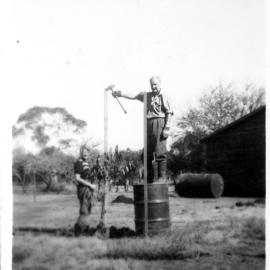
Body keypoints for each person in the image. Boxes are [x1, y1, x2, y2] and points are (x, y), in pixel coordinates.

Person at [112, 76, 173, 183]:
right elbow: (134, 96)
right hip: (148, 124)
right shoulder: (147, 95)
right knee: (146, 154)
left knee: (160, 152)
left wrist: (167, 128)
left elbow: (169, 113)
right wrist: (120, 93)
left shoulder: (164, 96)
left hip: (160, 122)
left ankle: (161, 178)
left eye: (156, 84)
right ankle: (149, 179)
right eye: (152, 84)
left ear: (160, 84)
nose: (154, 86)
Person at [73, 145, 96, 234]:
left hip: (88, 189)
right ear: (81, 153)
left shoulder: (86, 163)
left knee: (88, 209)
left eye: (87, 152)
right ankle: (79, 231)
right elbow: (77, 178)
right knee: (84, 210)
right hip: (83, 189)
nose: (85, 153)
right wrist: (90, 185)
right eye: (84, 152)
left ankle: (85, 229)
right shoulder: (79, 163)